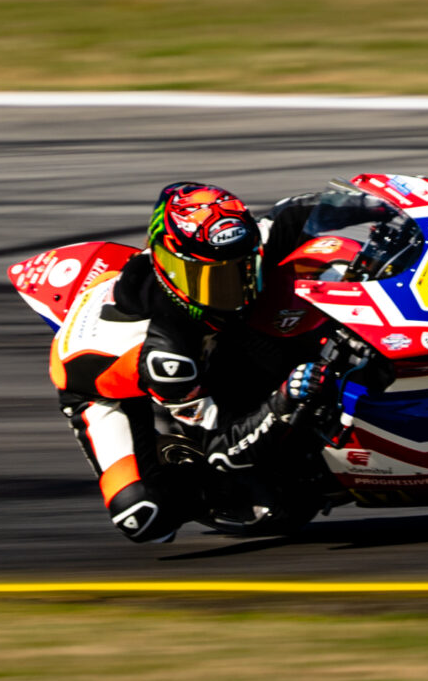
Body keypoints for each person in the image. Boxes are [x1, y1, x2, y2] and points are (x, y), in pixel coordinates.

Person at [51, 180, 391, 542]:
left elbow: (299, 211)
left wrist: (381, 206)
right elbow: (222, 448)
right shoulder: (167, 356)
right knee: (145, 516)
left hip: (204, 338)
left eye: (240, 270)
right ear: (171, 268)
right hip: (107, 387)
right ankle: (193, 470)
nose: (227, 291)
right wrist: (282, 402)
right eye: (208, 279)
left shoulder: (246, 241)